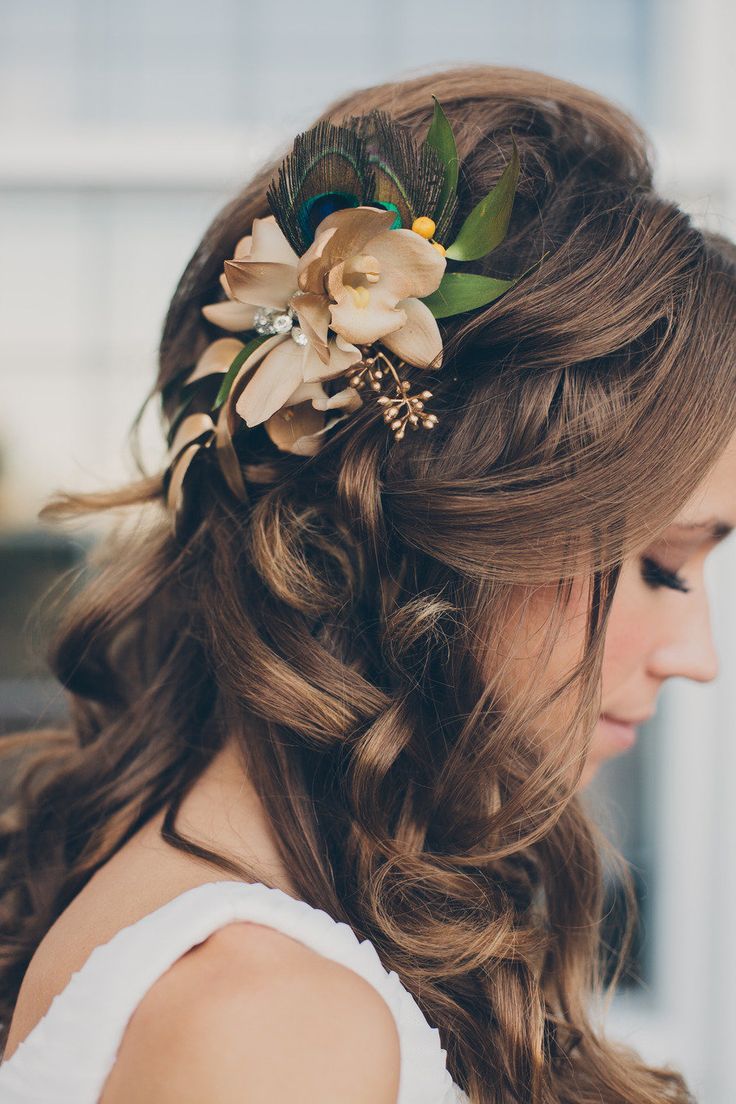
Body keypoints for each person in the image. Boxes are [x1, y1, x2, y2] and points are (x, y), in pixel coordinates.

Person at [0, 64, 734, 1104]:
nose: (694, 654)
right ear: (443, 540)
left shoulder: (219, 918)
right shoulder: (274, 1024)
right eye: (661, 566)